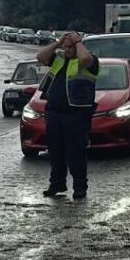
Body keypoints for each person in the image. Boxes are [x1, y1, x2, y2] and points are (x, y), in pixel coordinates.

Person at [36, 31, 98, 199]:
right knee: (55, 153)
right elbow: (40, 56)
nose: (68, 50)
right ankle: (57, 184)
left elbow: (86, 60)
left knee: (76, 153)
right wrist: (58, 43)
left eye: (71, 47)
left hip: (76, 114)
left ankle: (79, 187)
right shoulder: (59, 59)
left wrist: (78, 43)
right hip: (54, 113)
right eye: (66, 47)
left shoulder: (89, 60)